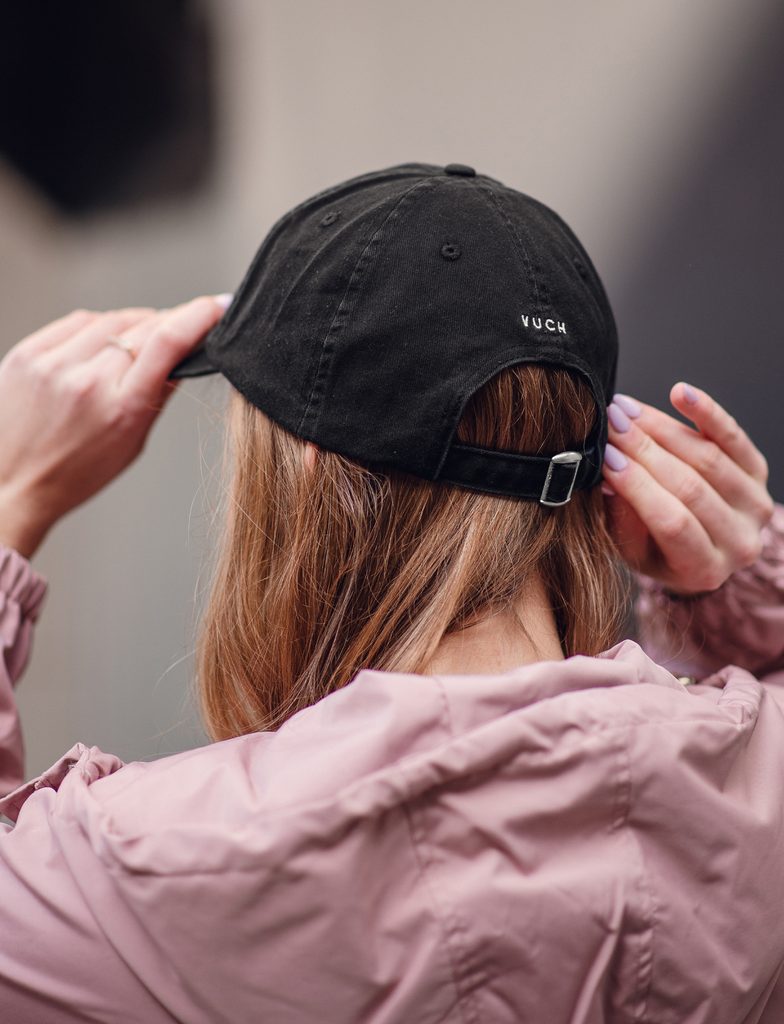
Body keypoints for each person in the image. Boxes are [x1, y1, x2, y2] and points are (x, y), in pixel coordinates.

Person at [0, 162, 782, 1024]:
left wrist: (12, 496)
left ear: (305, 476)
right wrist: (743, 595)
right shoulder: (759, 787)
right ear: (601, 479)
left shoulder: (156, 874)